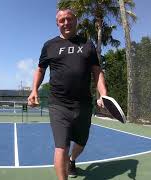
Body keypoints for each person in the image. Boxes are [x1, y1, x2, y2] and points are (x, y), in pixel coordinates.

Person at [28, 8, 107, 180]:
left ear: (75, 20)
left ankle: (72, 160)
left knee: (80, 142)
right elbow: (40, 70)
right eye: (62, 20)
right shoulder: (49, 45)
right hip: (58, 103)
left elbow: (97, 71)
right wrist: (34, 89)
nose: (66, 23)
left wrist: (103, 94)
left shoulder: (87, 44)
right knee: (61, 146)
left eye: (69, 19)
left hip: (83, 104)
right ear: (57, 24)